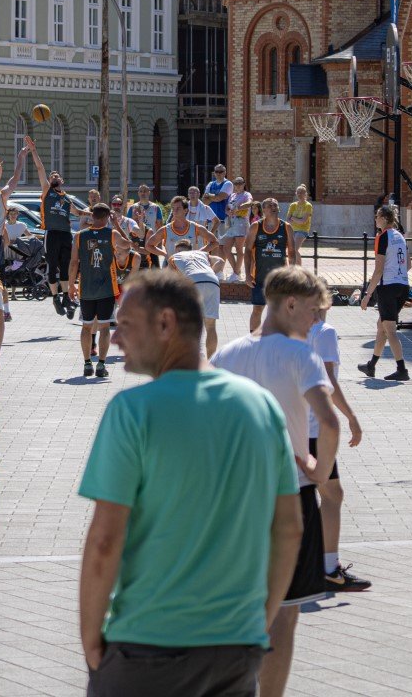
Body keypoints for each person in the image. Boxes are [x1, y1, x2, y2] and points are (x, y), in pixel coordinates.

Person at [79, 268, 301, 697]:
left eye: (124, 325)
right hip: (236, 649)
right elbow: (289, 529)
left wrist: (91, 643)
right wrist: (258, 622)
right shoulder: (262, 407)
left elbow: (105, 540)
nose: (116, 338)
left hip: (149, 646)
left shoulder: (132, 411)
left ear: (165, 323)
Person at [211, 265, 338, 697]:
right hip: (291, 496)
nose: (316, 321)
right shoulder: (301, 355)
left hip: (236, 500)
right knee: (284, 614)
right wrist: (321, 474)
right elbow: (330, 422)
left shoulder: (225, 355)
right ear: (289, 304)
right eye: (313, 311)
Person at [306, 297, 369, 593]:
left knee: (304, 494)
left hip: (289, 425)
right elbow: (328, 382)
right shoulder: (324, 332)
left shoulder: (280, 333)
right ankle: (328, 567)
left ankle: (312, 562)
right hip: (314, 427)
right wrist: (352, 417)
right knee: (331, 494)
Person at [71, 203, 134, 379]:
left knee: (86, 326)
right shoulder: (112, 234)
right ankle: (101, 364)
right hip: (106, 288)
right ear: (107, 217)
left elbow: (74, 262)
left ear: (92, 216)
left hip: (86, 289)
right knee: (105, 327)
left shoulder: (79, 236)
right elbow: (128, 246)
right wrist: (117, 225)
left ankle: (86, 363)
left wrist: (70, 285)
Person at [27, 137, 87, 319]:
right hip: (51, 233)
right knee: (52, 266)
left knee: (66, 266)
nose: (53, 177)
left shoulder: (66, 198)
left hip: (65, 234)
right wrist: (33, 151)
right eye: (51, 176)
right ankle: (54, 298)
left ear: (61, 180)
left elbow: (77, 212)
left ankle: (64, 298)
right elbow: (40, 168)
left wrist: (93, 214)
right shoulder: (47, 191)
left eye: (56, 176)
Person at [359, 204, 412, 381]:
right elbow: (409, 265)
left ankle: (402, 369)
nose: (375, 220)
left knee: (390, 330)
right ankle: (371, 365)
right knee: (381, 327)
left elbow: (378, 270)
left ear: (384, 218)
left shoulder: (382, 237)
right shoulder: (400, 236)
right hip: (403, 286)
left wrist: (367, 295)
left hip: (387, 287)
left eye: (377, 217)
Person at [244, 197, 299, 334]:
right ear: (264, 210)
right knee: (257, 309)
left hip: (279, 279)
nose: (273, 207)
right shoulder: (256, 226)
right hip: (260, 276)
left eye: (275, 205)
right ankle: (253, 340)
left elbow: (292, 252)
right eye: (270, 205)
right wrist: (247, 274)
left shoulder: (286, 227)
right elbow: (248, 251)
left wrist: (291, 273)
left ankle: (279, 339)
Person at [166, 241, 224, 357]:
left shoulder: (174, 257)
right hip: (212, 281)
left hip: (192, 283)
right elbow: (221, 261)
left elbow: (169, 279)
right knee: (211, 326)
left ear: (178, 250)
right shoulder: (202, 253)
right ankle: (211, 362)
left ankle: (193, 358)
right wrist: (210, 272)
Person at [222, 177, 254, 280]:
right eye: (236, 183)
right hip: (231, 223)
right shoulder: (232, 195)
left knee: (239, 249)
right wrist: (228, 211)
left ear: (244, 184)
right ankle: (237, 271)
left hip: (241, 223)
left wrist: (238, 208)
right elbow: (227, 207)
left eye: (240, 183)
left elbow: (250, 203)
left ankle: (236, 273)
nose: (238, 185)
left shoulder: (246, 194)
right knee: (226, 248)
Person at [127, 185, 164, 268]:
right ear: (138, 193)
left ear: (149, 193)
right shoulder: (132, 207)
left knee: (154, 269)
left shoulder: (155, 207)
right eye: (141, 191)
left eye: (145, 191)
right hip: (135, 239)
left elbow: (159, 225)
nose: (143, 193)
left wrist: (160, 242)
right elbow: (127, 223)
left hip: (151, 241)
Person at [286, 185, 314, 252]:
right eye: (298, 192)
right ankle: (298, 263)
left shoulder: (308, 205)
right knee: (292, 250)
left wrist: (292, 217)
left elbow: (303, 221)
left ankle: (296, 263)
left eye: (301, 192)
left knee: (294, 249)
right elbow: (287, 220)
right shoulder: (293, 205)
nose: (299, 194)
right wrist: (297, 220)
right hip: (292, 230)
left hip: (302, 230)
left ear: (305, 194)